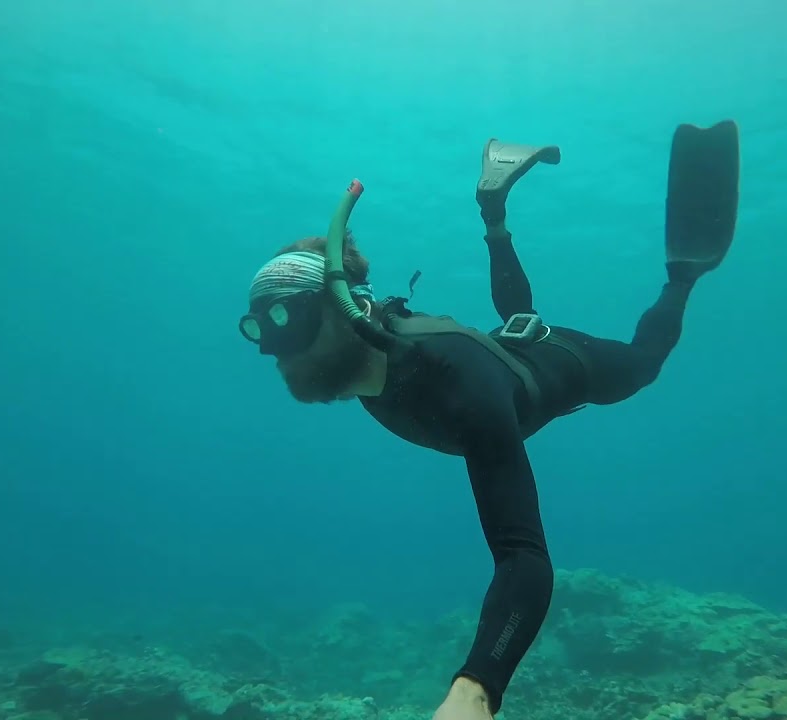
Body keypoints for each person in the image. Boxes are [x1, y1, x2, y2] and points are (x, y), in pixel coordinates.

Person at [237, 121, 740, 720]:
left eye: (287, 324)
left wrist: (476, 691)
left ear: (342, 310)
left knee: (644, 365)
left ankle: (682, 273)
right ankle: (494, 209)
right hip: (498, 355)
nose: (276, 352)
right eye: (260, 330)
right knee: (514, 320)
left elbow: (524, 557)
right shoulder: (367, 351)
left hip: (558, 364)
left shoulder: (460, 390)